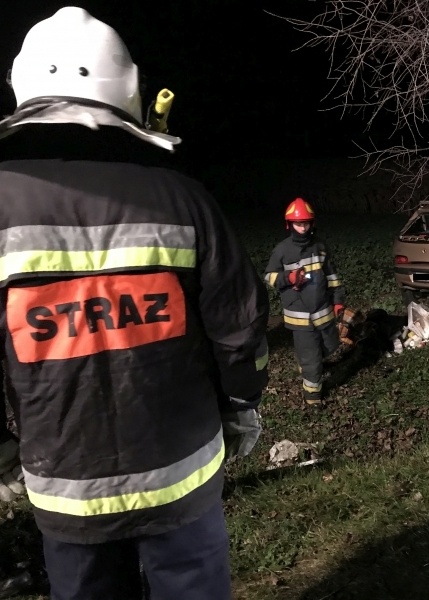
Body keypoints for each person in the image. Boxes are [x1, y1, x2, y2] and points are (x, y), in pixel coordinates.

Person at [0, 7, 269, 600]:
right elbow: (239, 324)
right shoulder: (183, 199)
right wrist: (243, 402)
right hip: (183, 478)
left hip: (65, 490)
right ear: (129, 92)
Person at [264, 198, 345, 407]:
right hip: (299, 314)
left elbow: (332, 276)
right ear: (289, 225)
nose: (302, 227)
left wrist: (337, 301)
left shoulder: (320, 246)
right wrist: (288, 278)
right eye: (298, 224)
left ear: (312, 223)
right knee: (312, 360)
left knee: (331, 345)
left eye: (306, 223)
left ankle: (308, 364)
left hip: (323, 310)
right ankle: (313, 397)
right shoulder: (282, 250)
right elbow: (269, 276)